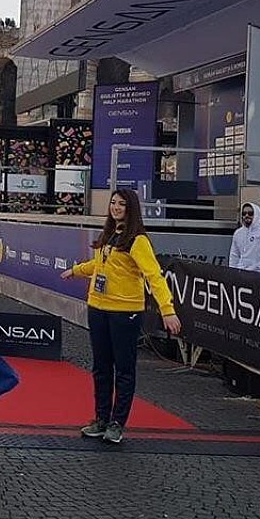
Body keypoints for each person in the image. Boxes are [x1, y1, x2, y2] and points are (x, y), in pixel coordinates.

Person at [61, 188, 182, 445]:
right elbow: (100, 265)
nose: (115, 207)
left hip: (125, 312)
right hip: (98, 308)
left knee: (124, 370)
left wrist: (167, 310)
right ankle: (101, 419)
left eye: (121, 204)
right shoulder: (109, 234)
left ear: (131, 208)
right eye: (113, 203)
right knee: (101, 368)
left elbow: (154, 277)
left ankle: (117, 423)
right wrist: (76, 270)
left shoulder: (138, 241)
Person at [229, 202, 260, 275]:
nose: (246, 216)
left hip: (258, 275)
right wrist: (232, 274)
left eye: (250, 213)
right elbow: (234, 255)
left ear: (256, 214)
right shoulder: (238, 233)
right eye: (244, 213)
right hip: (240, 275)